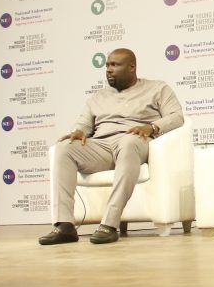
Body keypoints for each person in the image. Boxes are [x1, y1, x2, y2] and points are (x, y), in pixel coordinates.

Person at [39, 48, 184, 246]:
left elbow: (176, 116)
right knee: (65, 147)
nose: (108, 69)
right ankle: (64, 225)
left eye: (114, 65)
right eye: (107, 65)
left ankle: (109, 224)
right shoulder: (98, 97)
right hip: (101, 146)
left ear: (131, 67)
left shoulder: (157, 88)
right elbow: (83, 124)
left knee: (128, 142)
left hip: (135, 140)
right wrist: (79, 131)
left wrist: (151, 127)